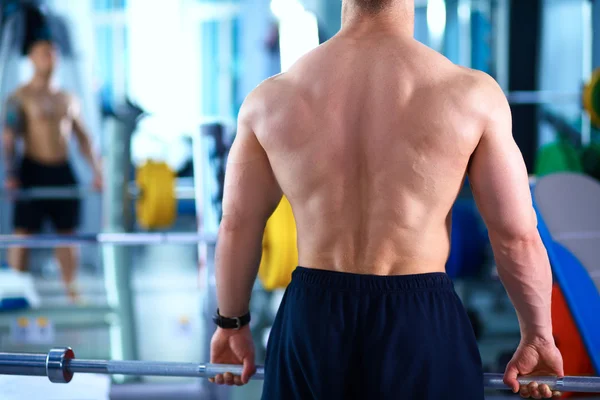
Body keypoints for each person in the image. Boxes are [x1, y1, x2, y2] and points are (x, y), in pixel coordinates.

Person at [209, 0, 564, 399]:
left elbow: (238, 225)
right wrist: (538, 334)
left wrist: (232, 324)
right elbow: (515, 234)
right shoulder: (469, 94)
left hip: (313, 315)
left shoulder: (272, 97)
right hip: (420, 318)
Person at [2, 39, 103, 302]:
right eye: (44, 53)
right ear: (32, 58)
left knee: (68, 234)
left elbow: (84, 138)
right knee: (23, 234)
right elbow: (9, 136)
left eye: (54, 53)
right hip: (32, 169)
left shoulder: (67, 98)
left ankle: (72, 291)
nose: (51, 57)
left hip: (62, 170)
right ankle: (15, 291)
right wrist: (11, 173)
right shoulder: (19, 96)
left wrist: (98, 171)